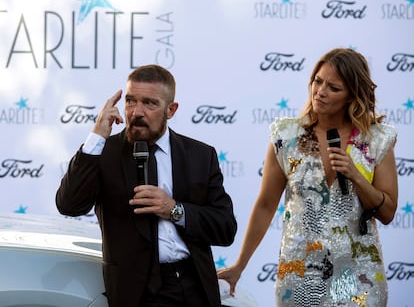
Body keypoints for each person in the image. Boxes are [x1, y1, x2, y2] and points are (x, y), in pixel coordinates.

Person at [217, 48, 398, 306]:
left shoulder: (377, 139)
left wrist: (356, 176)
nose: (320, 91)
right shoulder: (287, 137)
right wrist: (239, 266)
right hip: (299, 274)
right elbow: (266, 205)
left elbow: (388, 212)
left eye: (333, 87)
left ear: (352, 96)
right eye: (318, 81)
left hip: (358, 275)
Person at [56, 64, 237, 307]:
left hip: (195, 288)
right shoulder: (104, 153)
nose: (136, 112)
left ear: (171, 110)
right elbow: (69, 204)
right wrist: (97, 135)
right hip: (135, 294)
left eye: (149, 103)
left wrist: (175, 210)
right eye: (130, 101)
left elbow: (225, 228)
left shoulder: (200, 156)